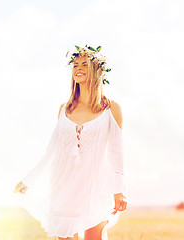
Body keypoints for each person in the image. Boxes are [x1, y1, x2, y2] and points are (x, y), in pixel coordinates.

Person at [14, 45, 127, 240]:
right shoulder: (64, 110)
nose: (78, 68)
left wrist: (119, 190)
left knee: (94, 237)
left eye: (85, 64)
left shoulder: (111, 109)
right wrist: (28, 180)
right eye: (75, 65)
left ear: (97, 71)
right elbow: (52, 151)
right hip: (63, 186)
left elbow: (116, 153)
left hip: (96, 186)